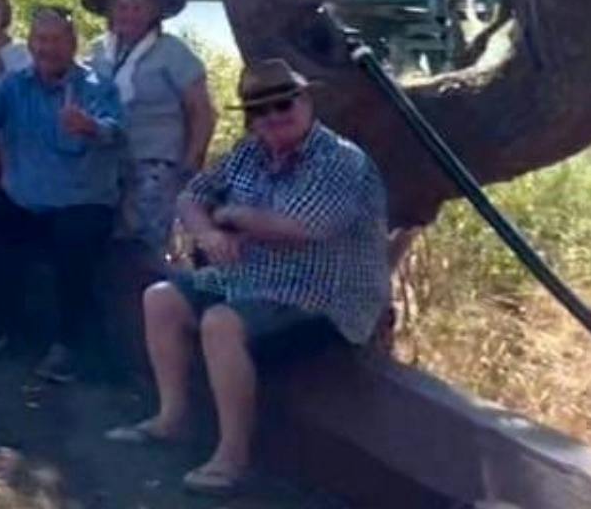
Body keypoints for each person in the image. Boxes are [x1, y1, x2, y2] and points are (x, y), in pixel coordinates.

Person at [107, 60, 389, 496]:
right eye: (260, 109)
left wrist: (233, 215)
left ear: (306, 100)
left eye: (283, 103)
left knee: (222, 322)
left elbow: (299, 228)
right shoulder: (247, 153)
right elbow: (191, 196)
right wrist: (207, 232)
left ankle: (232, 456)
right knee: (161, 298)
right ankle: (171, 418)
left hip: (323, 297)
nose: (273, 116)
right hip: (251, 279)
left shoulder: (340, 161)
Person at [0, 7, 127, 384]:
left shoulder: (96, 86)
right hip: (25, 198)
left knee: (76, 240)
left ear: (72, 44)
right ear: (30, 43)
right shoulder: (12, 84)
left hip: (81, 200)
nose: (46, 48)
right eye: (40, 40)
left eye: (55, 40)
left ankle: (68, 345)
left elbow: (116, 132)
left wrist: (89, 127)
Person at [82, 0, 216, 257]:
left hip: (156, 163)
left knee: (146, 245)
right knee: (107, 241)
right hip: (104, 164)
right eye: (121, 7)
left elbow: (201, 110)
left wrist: (191, 162)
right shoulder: (97, 51)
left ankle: (152, 297)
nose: (127, 14)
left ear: (154, 13)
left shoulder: (172, 52)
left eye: (137, 8)